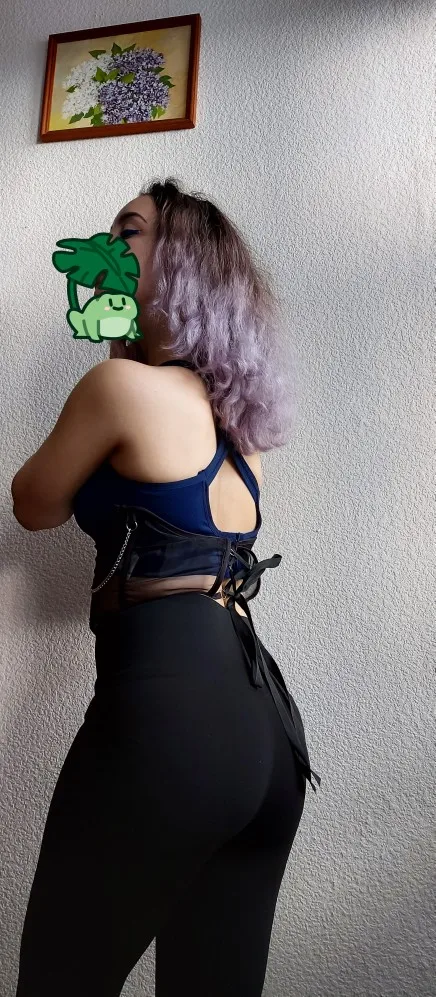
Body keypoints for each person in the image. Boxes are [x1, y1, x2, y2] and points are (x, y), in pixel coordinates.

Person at [13, 178, 320, 997]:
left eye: (129, 230)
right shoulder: (239, 431)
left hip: (170, 718)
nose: (109, 245)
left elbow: (33, 503)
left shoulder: (117, 390)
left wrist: (113, 355)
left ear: (181, 262)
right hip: (266, 739)